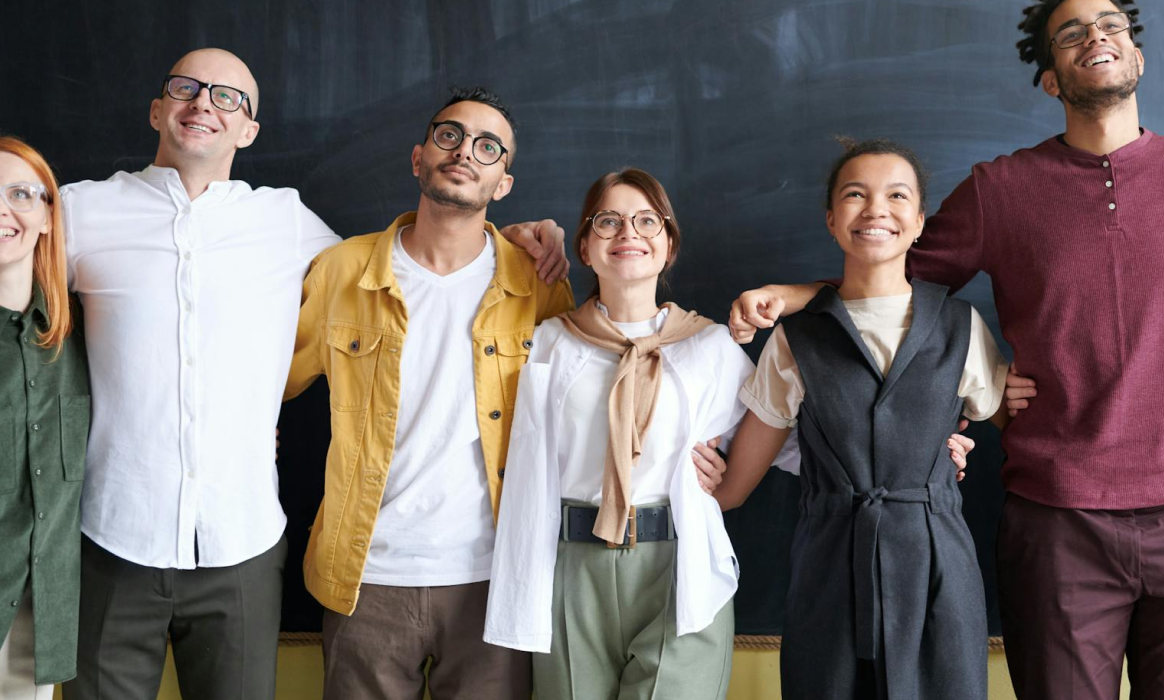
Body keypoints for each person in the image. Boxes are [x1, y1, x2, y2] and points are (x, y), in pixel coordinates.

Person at [725, 2, 1164, 698]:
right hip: (1057, 516)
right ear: (1051, 78)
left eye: (1110, 25)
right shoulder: (998, 190)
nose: (1094, 36)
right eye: (1070, 33)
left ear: (1137, 54)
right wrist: (797, 295)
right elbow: (889, 278)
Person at [57, 49, 341, 700]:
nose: (203, 103)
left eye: (228, 97)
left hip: (241, 543)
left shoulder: (288, 223)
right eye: (186, 88)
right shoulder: (80, 211)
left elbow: (396, 272)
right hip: (110, 537)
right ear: (158, 109)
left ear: (249, 131)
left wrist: (515, 243)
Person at [286, 87, 574, 700]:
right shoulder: (341, 272)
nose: (465, 151)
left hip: (496, 579)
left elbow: (582, 409)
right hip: (364, 577)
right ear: (418, 157)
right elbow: (268, 384)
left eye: (487, 147)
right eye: (450, 135)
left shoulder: (537, 284)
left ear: (503, 183)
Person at [706, 139, 1007, 700]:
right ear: (830, 219)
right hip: (830, 566)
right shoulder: (796, 337)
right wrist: (684, 471)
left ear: (919, 222)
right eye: (855, 195)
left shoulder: (961, 327)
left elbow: (1014, 419)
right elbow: (733, 487)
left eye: (896, 196)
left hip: (938, 565)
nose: (875, 210)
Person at [484, 167, 783, 699]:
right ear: (583, 245)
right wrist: (517, 234)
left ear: (668, 246)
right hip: (572, 568)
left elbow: (786, 425)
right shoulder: (547, 344)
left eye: (648, 221)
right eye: (608, 221)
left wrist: (730, 481)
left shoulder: (710, 347)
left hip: (679, 561)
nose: (629, 233)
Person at [0, 136, 88, 700]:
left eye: (20, 194)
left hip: (41, 612)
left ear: (48, 216)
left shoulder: (79, 333)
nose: (3, 210)